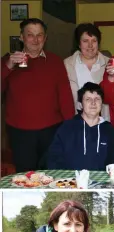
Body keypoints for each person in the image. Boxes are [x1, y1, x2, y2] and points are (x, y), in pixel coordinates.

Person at [1, 18, 74, 172]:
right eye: (30, 35)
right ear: (21, 37)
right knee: (25, 175)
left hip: (52, 129)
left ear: (45, 38)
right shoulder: (7, 62)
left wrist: (70, 127)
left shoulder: (55, 61)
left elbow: (65, 96)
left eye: (39, 35)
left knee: (51, 173)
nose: (35, 40)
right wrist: (8, 66)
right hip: (20, 132)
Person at [47, 83, 114, 170]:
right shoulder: (66, 128)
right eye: (88, 99)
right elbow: (53, 160)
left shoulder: (110, 130)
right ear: (81, 104)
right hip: (72, 181)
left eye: (97, 99)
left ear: (101, 104)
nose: (93, 103)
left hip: (102, 182)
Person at [64, 23, 110, 119]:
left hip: (103, 120)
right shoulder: (67, 65)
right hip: (76, 121)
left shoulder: (109, 64)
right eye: (85, 41)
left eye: (94, 41)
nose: (90, 45)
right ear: (79, 44)